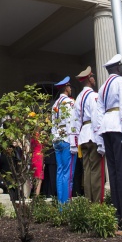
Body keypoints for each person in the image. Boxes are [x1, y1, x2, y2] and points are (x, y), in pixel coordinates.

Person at [96, 54, 122, 226]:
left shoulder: (103, 86)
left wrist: (99, 140)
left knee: (113, 173)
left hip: (106, 127)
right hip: (119, 126)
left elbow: (98, 114)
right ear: (119, 68)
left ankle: (119, 214)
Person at [73, 66, 104, 203]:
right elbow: (97, 118)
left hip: (83, 135)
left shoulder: (79, 97)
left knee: (87, 171)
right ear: (89, 79)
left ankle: (88, 201)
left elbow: (75, 120)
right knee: (96, 171)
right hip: (93, 134)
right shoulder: (94, 96)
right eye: (93, 76)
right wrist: (101, 139)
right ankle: (96, 203)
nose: (94, 79)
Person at [51, 76, 77, 204]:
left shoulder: (55, 104)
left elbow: (53, 124)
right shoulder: (69, 102)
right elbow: (71, 122)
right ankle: (66, 205)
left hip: (57, 138)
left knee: (60, 172)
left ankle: (61, 204)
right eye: (70, 86)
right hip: (67, 138)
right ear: (66, 88)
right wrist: (74, 142)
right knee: (68, 174)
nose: (70, 88)